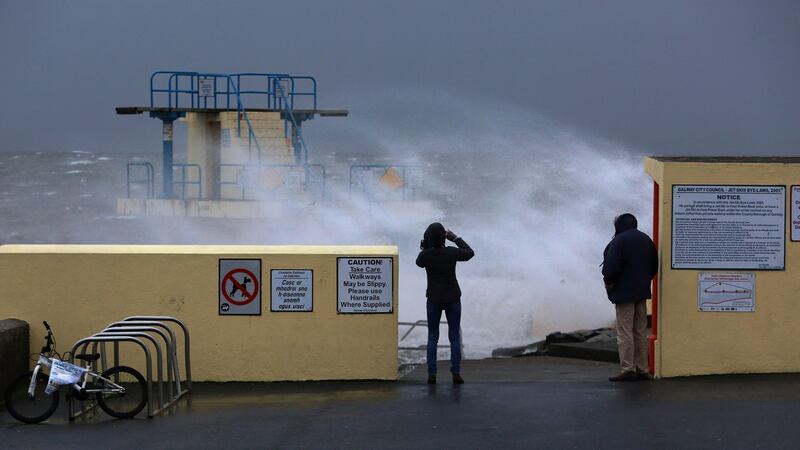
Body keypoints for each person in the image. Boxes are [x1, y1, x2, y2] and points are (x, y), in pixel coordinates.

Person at [602, 213, 658, 382]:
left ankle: (628, 369)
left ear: (619, 225)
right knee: (640, 331)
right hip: (641, 292)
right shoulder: (646, 240)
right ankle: (642, 369)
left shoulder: (618, 241)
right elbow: (654, 265)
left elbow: (610, 268)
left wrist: (609, 282)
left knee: (625, 332)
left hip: (624, 293)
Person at [416, 222, 474, 385]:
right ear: (444, 238)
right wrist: (455, 238)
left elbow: (418, 262)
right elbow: (470, 253)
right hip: (453, 297)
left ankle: (432, 374)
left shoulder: (426, 255)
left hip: (434, 298)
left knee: (432, 337)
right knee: (454, 336)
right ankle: (456, 373)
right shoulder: (451, 252)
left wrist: (427, 245)